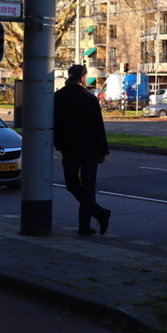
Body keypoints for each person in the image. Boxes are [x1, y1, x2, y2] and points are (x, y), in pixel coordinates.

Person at [54, 64, 111, 236]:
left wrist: (59, 145)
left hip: (69, 149)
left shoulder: (57, 97)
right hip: (89, 149)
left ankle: (94, 218)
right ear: (82, 78)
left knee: (72, 185)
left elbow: (54, 124)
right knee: (88, 188)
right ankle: (90, 220)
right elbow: (97, 127)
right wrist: (102, 152)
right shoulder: (89, 98)